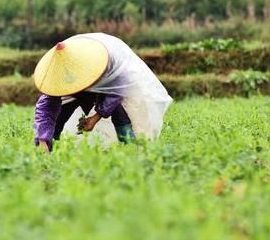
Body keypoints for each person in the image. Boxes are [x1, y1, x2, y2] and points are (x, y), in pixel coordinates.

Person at [33, 33, 173, 152]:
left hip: (113, 88)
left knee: (121, 112)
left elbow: (115, 92)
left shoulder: (106, 63)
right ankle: (48, 150)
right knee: (59, 113)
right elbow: (46, 107)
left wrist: (95, 118)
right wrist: (43, 139)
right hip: (77, 87)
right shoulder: (58, 73)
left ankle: (130, 149)